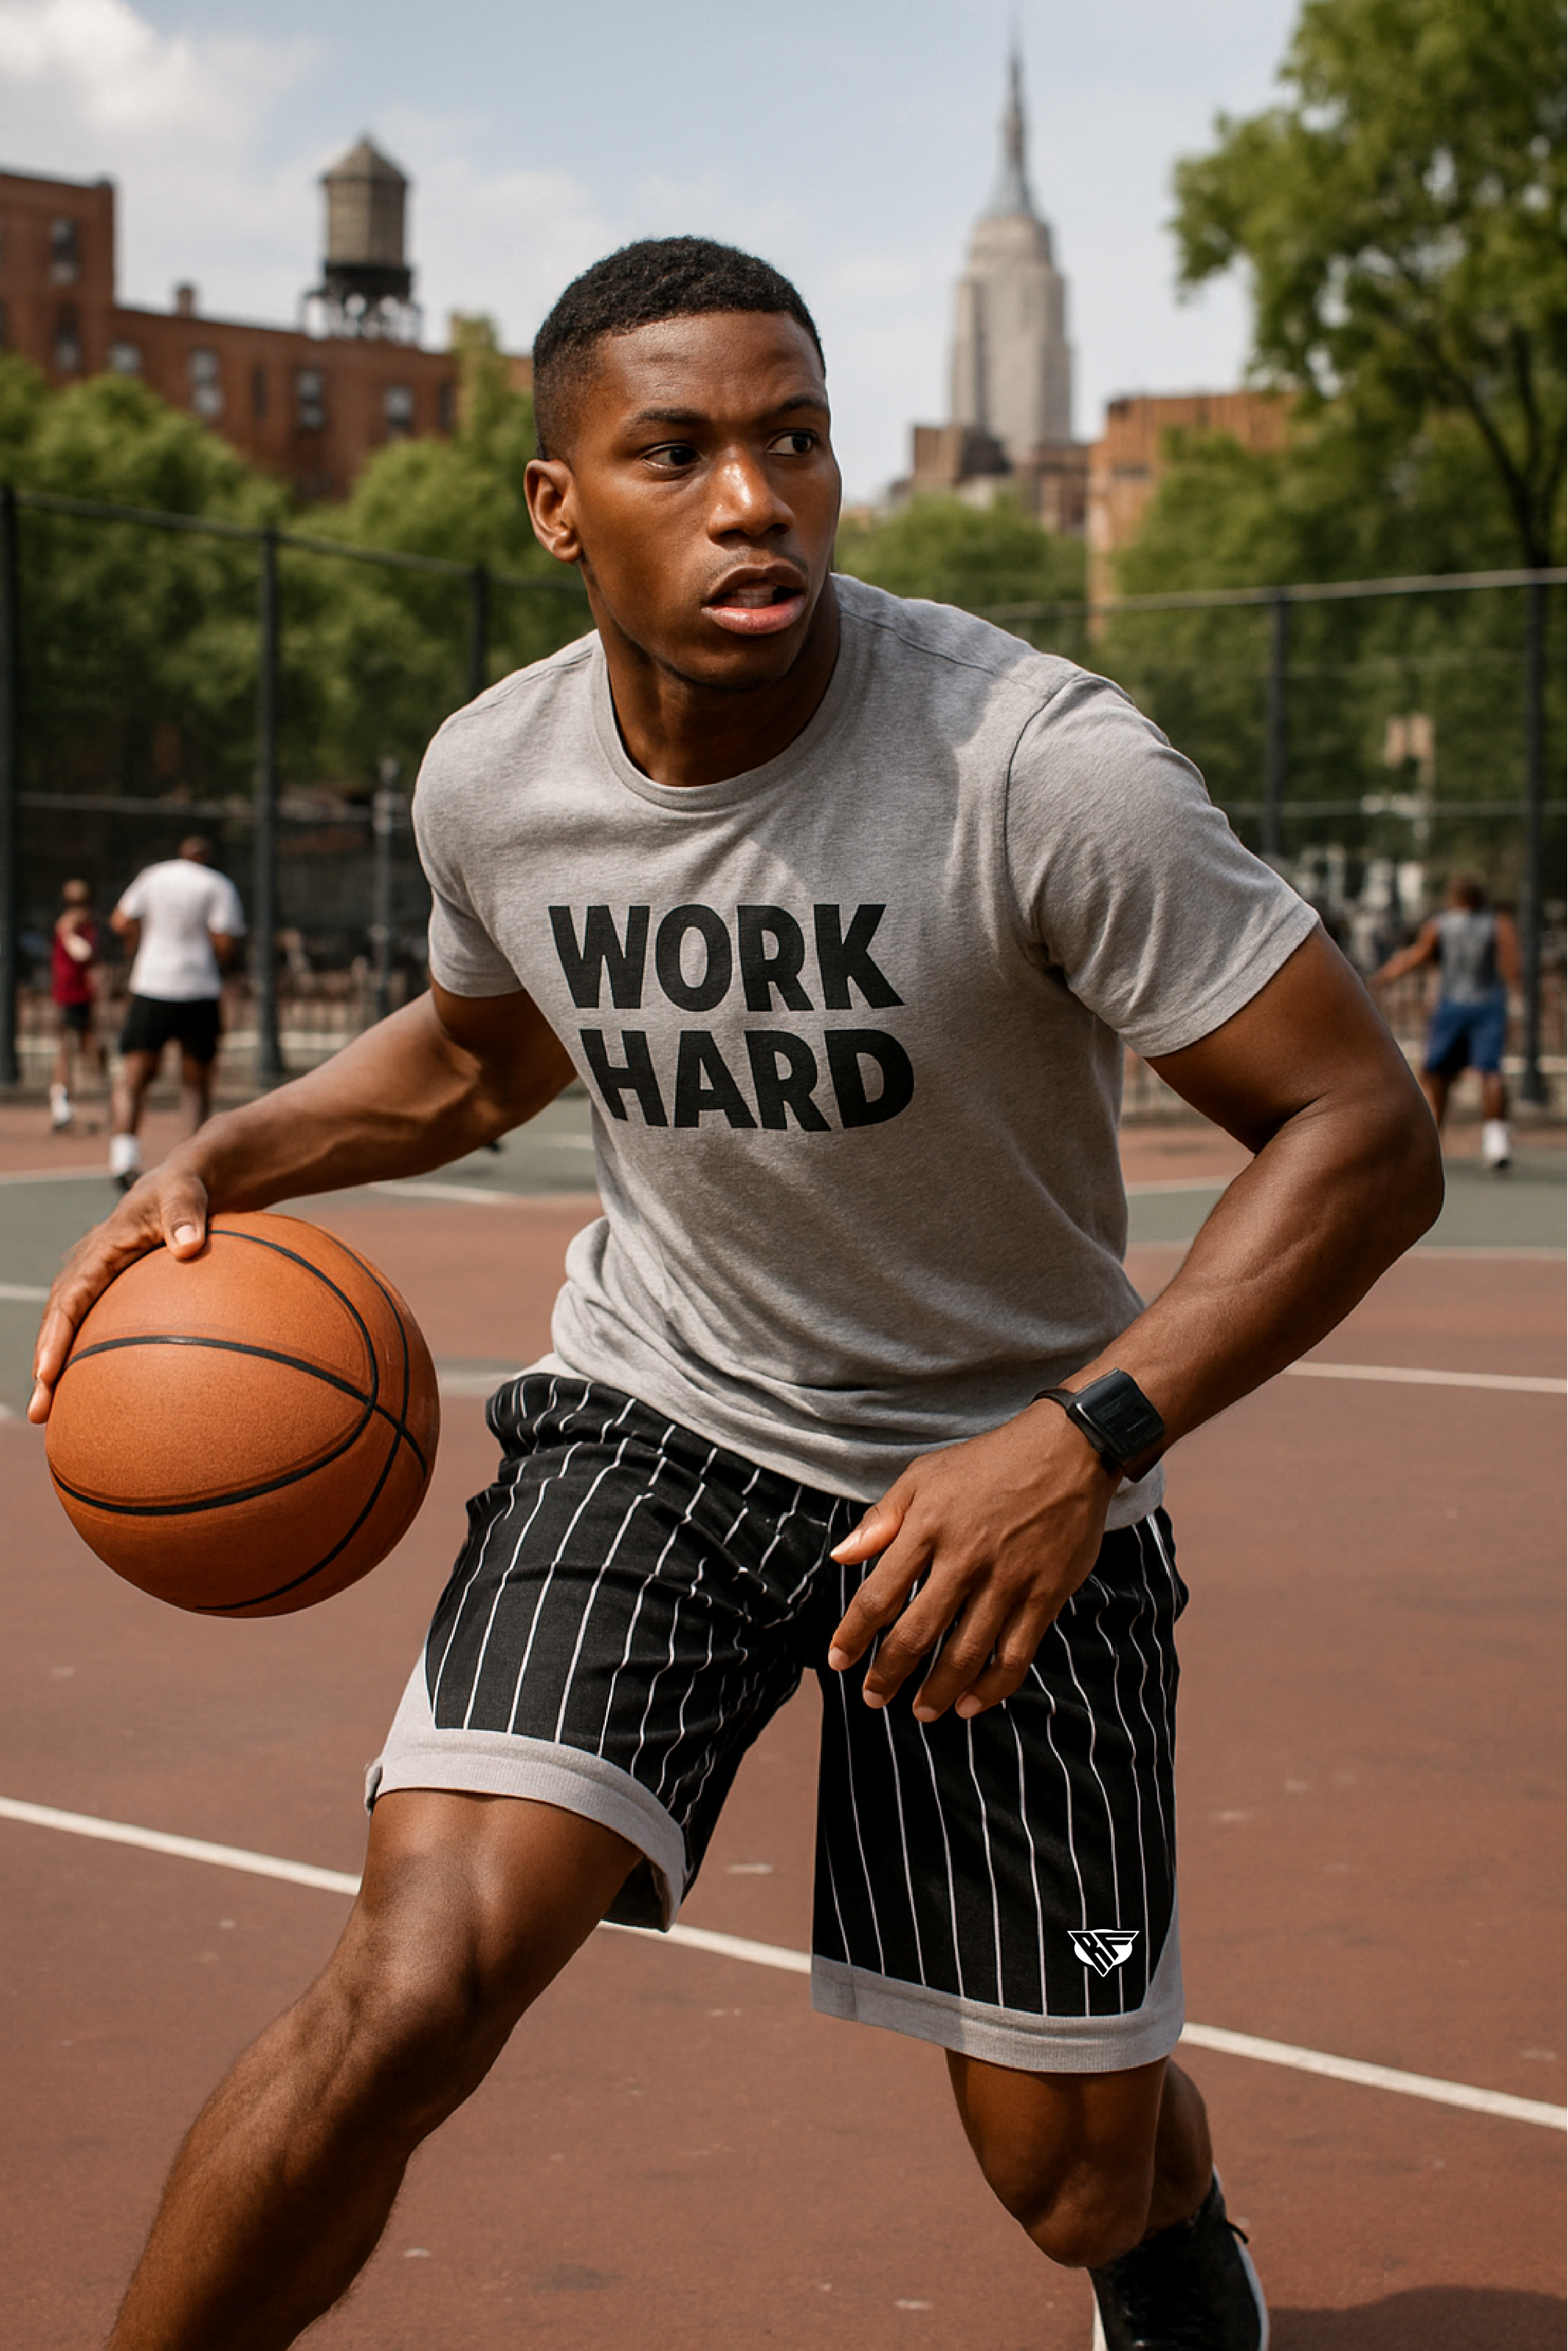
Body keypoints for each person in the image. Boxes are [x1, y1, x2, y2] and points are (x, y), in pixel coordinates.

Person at [30, 239, 1441, 2351]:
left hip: (1010, 1465)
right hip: (661, 1425)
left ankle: (1170, 2204)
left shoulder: (1037, 765)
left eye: (792, 440)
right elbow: (481, 1053)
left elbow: (1363, 1125)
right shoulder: (497, 780)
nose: (752, 496)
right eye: (674, 451)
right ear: (556, 500)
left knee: (1068, 2173)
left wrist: (1082, 1442)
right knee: (406, 1989)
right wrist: (233, 1143)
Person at [107, 836, 246, 1190]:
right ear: (207, 857)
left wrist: (143, 942)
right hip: (198, 988)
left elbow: (120, 920)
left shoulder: (153, 876)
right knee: (196, 1081)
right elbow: (225, 942)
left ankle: (124, 1155)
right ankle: (193, 1163)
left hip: (151, 985)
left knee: (134, 1075)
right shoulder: (217, 884)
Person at [1375, 873, 1520, 1170]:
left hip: (1452, 1005)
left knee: (1437, 1073)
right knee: (1490, 1072)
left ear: (1454, 899)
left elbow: (1417, 956)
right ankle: (1496, 1142)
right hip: (1487, 1003)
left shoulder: (1440, 925)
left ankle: (1433, 1141)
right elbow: (1511, 963)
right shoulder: (1497, 923)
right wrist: (1517, 997)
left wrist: (1387, 974)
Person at [48, 876, 107, 1133]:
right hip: (67, 995)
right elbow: (78, 951)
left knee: (89, 1049)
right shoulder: (68, 925)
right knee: (67, 1049)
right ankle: (61, 1106)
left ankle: (90, 1105)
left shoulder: (89, 926)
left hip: (84, 996)